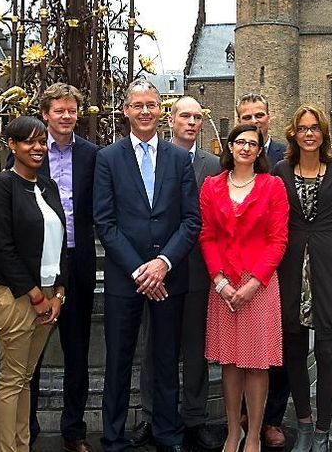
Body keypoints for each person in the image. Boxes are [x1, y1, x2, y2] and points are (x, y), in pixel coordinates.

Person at [94, 79, 201, 452]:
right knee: (119, 360)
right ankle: (113, 436)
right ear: (126, 111)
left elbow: (191, 220)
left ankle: (168, 434)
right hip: (127, 279)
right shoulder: (108, 158)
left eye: (151, 105)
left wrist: (163, 263)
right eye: (137, 105)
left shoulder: (178, 158)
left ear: (160, 110)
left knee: (167, 360)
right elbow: (105, 223)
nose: (144, 111)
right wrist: (141, 270)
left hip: (170, 277)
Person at [133, 96, 223, 450]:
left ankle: (195, 417)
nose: (191, 123)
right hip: (157, 272)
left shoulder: (214, 165)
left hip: (199, 270)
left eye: (197, 117)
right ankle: (151, 416)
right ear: (171, 120)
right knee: (153, 345)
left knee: (196, 348)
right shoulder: (151, 157)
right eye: (185, 116)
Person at [273, 105, 332, 452]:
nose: (309, 134)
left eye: (315, 128)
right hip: (291, 268)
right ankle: (304, 426)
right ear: (293, 133)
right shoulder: (280, 170)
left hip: (327, 268)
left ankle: (323, 432)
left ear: (323, 134)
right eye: (303, 128)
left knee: (326, 352)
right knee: (294, 352)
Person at [200, 124, 288, 452]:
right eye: (241, 142)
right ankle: (232, 431)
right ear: (230, 146)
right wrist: (219, 280)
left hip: (259, 287)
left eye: (254, 143)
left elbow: (278, 240)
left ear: (260, 150)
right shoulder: (211, 186)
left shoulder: (272, 186)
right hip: (223, 286)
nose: (247, 148)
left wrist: (254, 283)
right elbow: (207, 235)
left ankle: (253, 436)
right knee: (231, 363)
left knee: (257, 363)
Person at [0, 116, 68, 452]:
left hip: (48, 294)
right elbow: (2, 248)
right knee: (12, 378)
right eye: (29, 141)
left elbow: (61, 241)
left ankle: (21, 445)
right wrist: (34, 295)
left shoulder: (48, 186)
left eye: (42, 141)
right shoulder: (1, 187)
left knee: (24, 378)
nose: (38, 148)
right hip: (15, 295)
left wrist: (59, 292)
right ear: (11, 145)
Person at [22, 84, 99, 452]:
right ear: (45, 113)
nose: (66, 116)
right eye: (59, 111)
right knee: (30, 351)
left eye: (72, 111)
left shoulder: (92, 154)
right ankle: (28, 427)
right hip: (39, 262)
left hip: (79, 260)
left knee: (77, 349)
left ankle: (74, 429)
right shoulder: (30, 150)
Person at [235, 92, 289, 447]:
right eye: (247, 117)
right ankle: (240, 415)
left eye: (260, 115)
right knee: (239, 347)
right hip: (237, 268)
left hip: (277, 262)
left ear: (269, 117)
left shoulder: (287, 155)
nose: (254, 121)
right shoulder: (232, 154)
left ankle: (271, 419)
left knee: (275, 345)